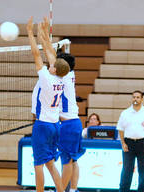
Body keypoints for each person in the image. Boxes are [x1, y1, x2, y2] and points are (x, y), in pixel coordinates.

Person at [27, 16, 70, 192]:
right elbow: (49, 52)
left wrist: (30, 32)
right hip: (55, 125)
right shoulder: (62, 78)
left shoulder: (46, 78)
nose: (49, 64)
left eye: (52, 65)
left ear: (54, 69)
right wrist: (42, 32)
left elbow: (37, 53)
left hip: (43, 125)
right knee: (50, 164)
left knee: (38, 164)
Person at [57, 51, 86, 192]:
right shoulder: (70, 74)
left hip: (68, 125)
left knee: (67, 162)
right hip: (75, 123)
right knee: (73, 160)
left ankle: (61, 190)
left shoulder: (62, 78)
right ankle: (73, 190)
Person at [117, 90, 144, 192]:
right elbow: (120, 129)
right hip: (128, 143)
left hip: (143, 143)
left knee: (142, 171)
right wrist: (123, 143)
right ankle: (123, 190)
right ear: (132, 98)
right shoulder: (125, 113)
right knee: (127, 170)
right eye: (134, 97)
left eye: (138, 97)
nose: (135, 99)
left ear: (142, 99)